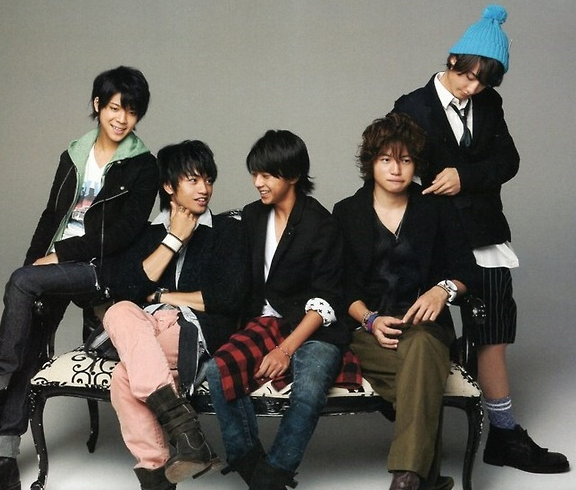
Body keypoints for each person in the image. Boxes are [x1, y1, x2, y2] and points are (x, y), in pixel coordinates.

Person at [393, 4, 570, 475]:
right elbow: (394, 174)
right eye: (468, 76)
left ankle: (504, 436)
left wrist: (463, 177)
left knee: (493, 335)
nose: (472, 89)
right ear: (453, 59)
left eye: (484, 83)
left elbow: (508, 161)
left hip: (485, 235)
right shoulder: (411, 107)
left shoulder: (489, 105)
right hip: (431, 240)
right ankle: (418, 438)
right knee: (424, 331)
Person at [0, 66, 157, 490]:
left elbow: (123, 233)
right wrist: (34, 262)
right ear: (97, 105)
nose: (122, 119)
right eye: (114, 108)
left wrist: (58, 257)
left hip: (97, 268)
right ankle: (5, 455)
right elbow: (51, 215)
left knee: (21, 286)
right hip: (56, 265)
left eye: (131, 111)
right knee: (31, 343)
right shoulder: (72, 155)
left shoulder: (144, 166)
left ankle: (0, 371)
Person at [332, 113, 478, 490]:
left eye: (406, 160)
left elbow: (468, 270)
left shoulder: (436, 208)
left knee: (423, 347)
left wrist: (442, 289)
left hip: (425, 329)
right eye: (386, 159)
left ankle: (406, 476)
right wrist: (370, 320)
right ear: (371, 162)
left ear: (416, 164)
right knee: (422, 375)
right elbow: (342, 287)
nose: (396, 170)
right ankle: (424, 480)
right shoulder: (346, 212)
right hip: (369, 334)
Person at [204, 129, 350, 490]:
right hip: (266, 320)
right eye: (255, 173)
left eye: (267, 175)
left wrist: (285, 350)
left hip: (314, 327)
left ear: (294, 175)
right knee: (217, 370)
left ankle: (274, 474)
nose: (258, 182)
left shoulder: (321, 224)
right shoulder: (253, 216)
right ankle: (249, 463)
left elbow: (328, 299)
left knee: (309, 389)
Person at [102, 140, 249, 490]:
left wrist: (160, 295)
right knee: (119, 310)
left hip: (194, 330)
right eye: (193, 180)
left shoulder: (228, 231)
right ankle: (188, 437)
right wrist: (173, 240)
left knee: (123, 376)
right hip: (148, 328)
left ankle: (160, 470)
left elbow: (229, 298)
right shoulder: (148, 234)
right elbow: (126, 293)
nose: (204, 189)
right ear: (169, 186)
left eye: (208, 180)